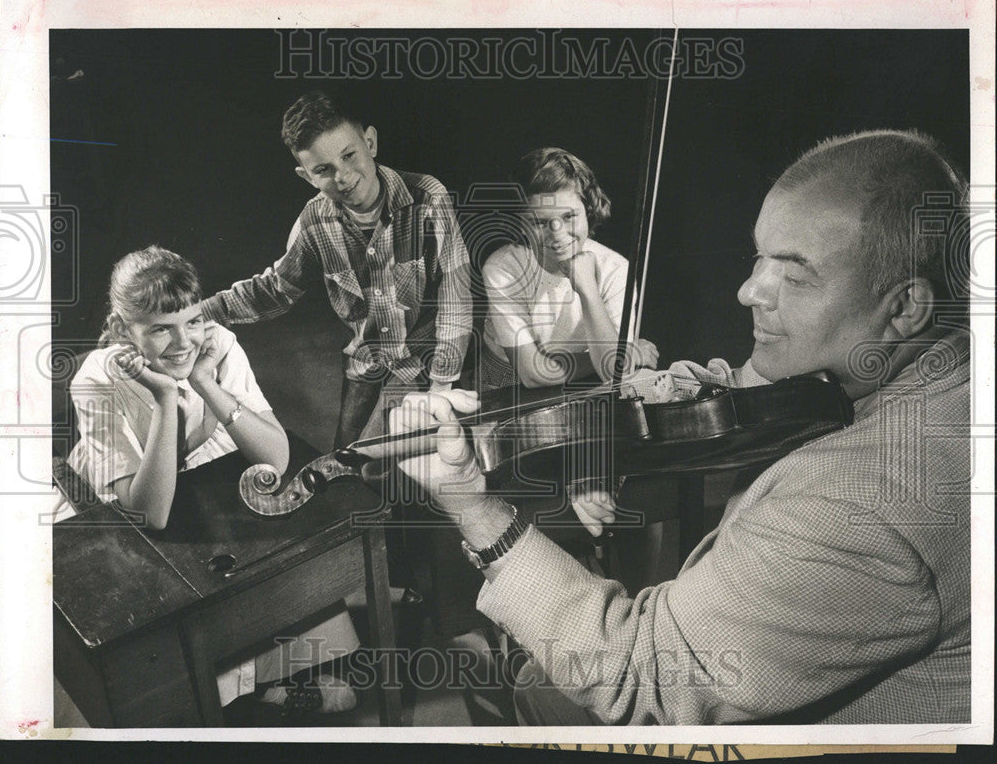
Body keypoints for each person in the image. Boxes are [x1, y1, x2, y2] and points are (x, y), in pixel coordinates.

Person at [390, 130, 972, 724]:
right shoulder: (938, 378)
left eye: (794, 277)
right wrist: (652, 400)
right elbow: (725, 384)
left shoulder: (857, 504)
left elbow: (637, 675)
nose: (748, 292)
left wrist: (475, 509)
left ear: (904, 307)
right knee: (546, 671)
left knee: (543, 688)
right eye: (757, 260)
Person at [65, 246, 360, 715]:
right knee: (157, 633)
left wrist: (206, 383)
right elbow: (150, 514)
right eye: (160, 329)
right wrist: (165, 398)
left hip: (199, 471)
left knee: (263, 559)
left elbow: (276, 459)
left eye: (192, 321)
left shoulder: (215, 342)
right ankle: (234, 693)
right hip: (131, 495)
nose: (183, 342)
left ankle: (257, 681)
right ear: (123, 330)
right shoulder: (97, 380)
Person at [199, 91, 472, 449]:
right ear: (306, 175)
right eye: (323, 170)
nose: (342, 177)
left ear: (370, 142)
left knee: (393, 462)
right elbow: (274, 290)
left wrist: (441, 386)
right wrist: (196, 313)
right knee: (345, 460)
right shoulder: (314, 222)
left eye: (349, 156)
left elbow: (456, 295)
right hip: (366, 364)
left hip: (429, 361)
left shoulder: (427, 198)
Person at [480, 148, 658, 390]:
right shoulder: (503, 269)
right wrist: (627, 355)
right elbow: (531, 375)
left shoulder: (616, 269)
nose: (558, 234)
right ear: (520, 223)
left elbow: (612, 373)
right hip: (506, 387)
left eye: (568, 217)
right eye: (540, 222)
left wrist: (588, 289)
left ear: (589, 210)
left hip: (583, 386)